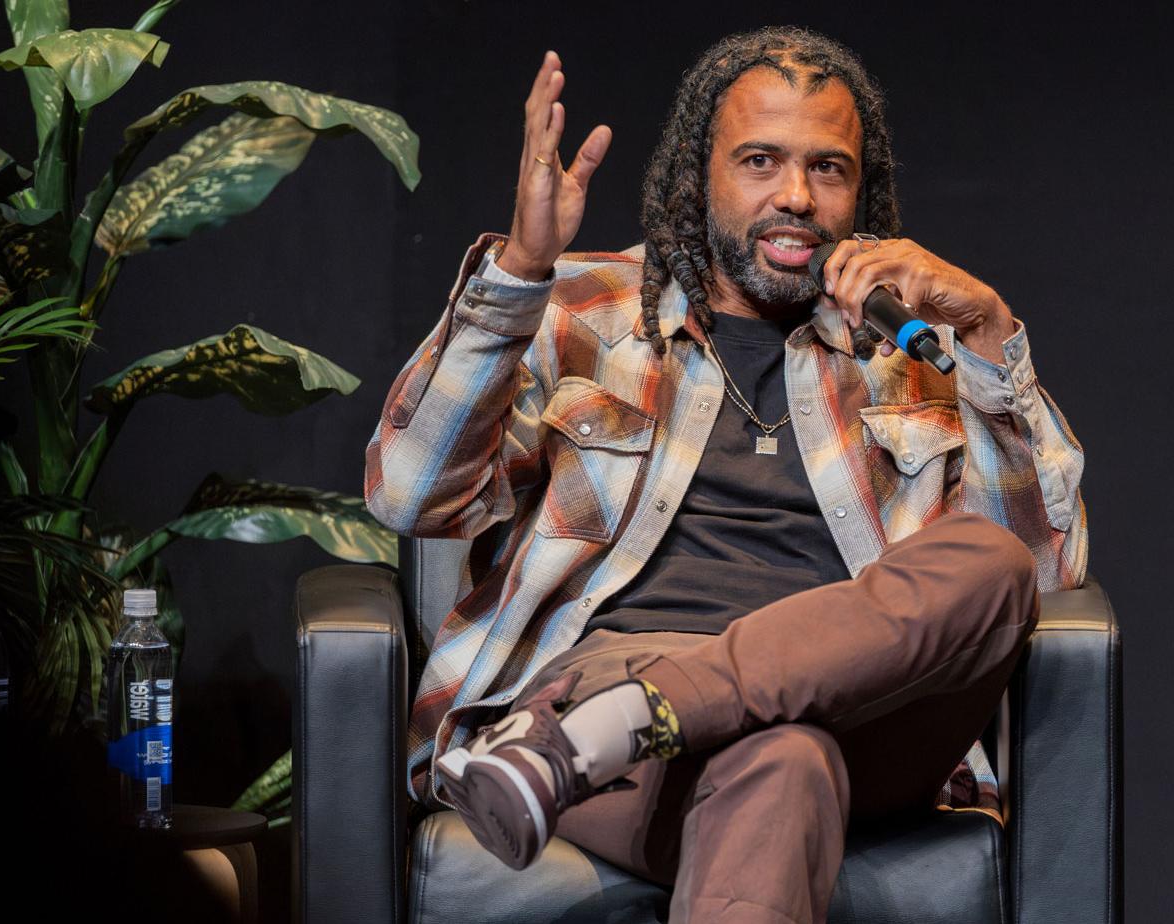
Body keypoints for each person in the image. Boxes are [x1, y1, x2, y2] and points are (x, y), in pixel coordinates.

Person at [364, 25, 1088, 924]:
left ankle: (629, 718)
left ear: (862, 191)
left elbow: (1043, 577)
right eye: (759, 161)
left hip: (835, 715)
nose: (796, 196)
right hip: (627, 723)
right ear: (697, 173)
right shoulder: (581, 308)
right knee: (783, 759)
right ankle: (629, 714)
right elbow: (408, 493)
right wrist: (519, 271)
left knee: (991, 567)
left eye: (829, 169)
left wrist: (985, 333)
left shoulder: (915, 354)